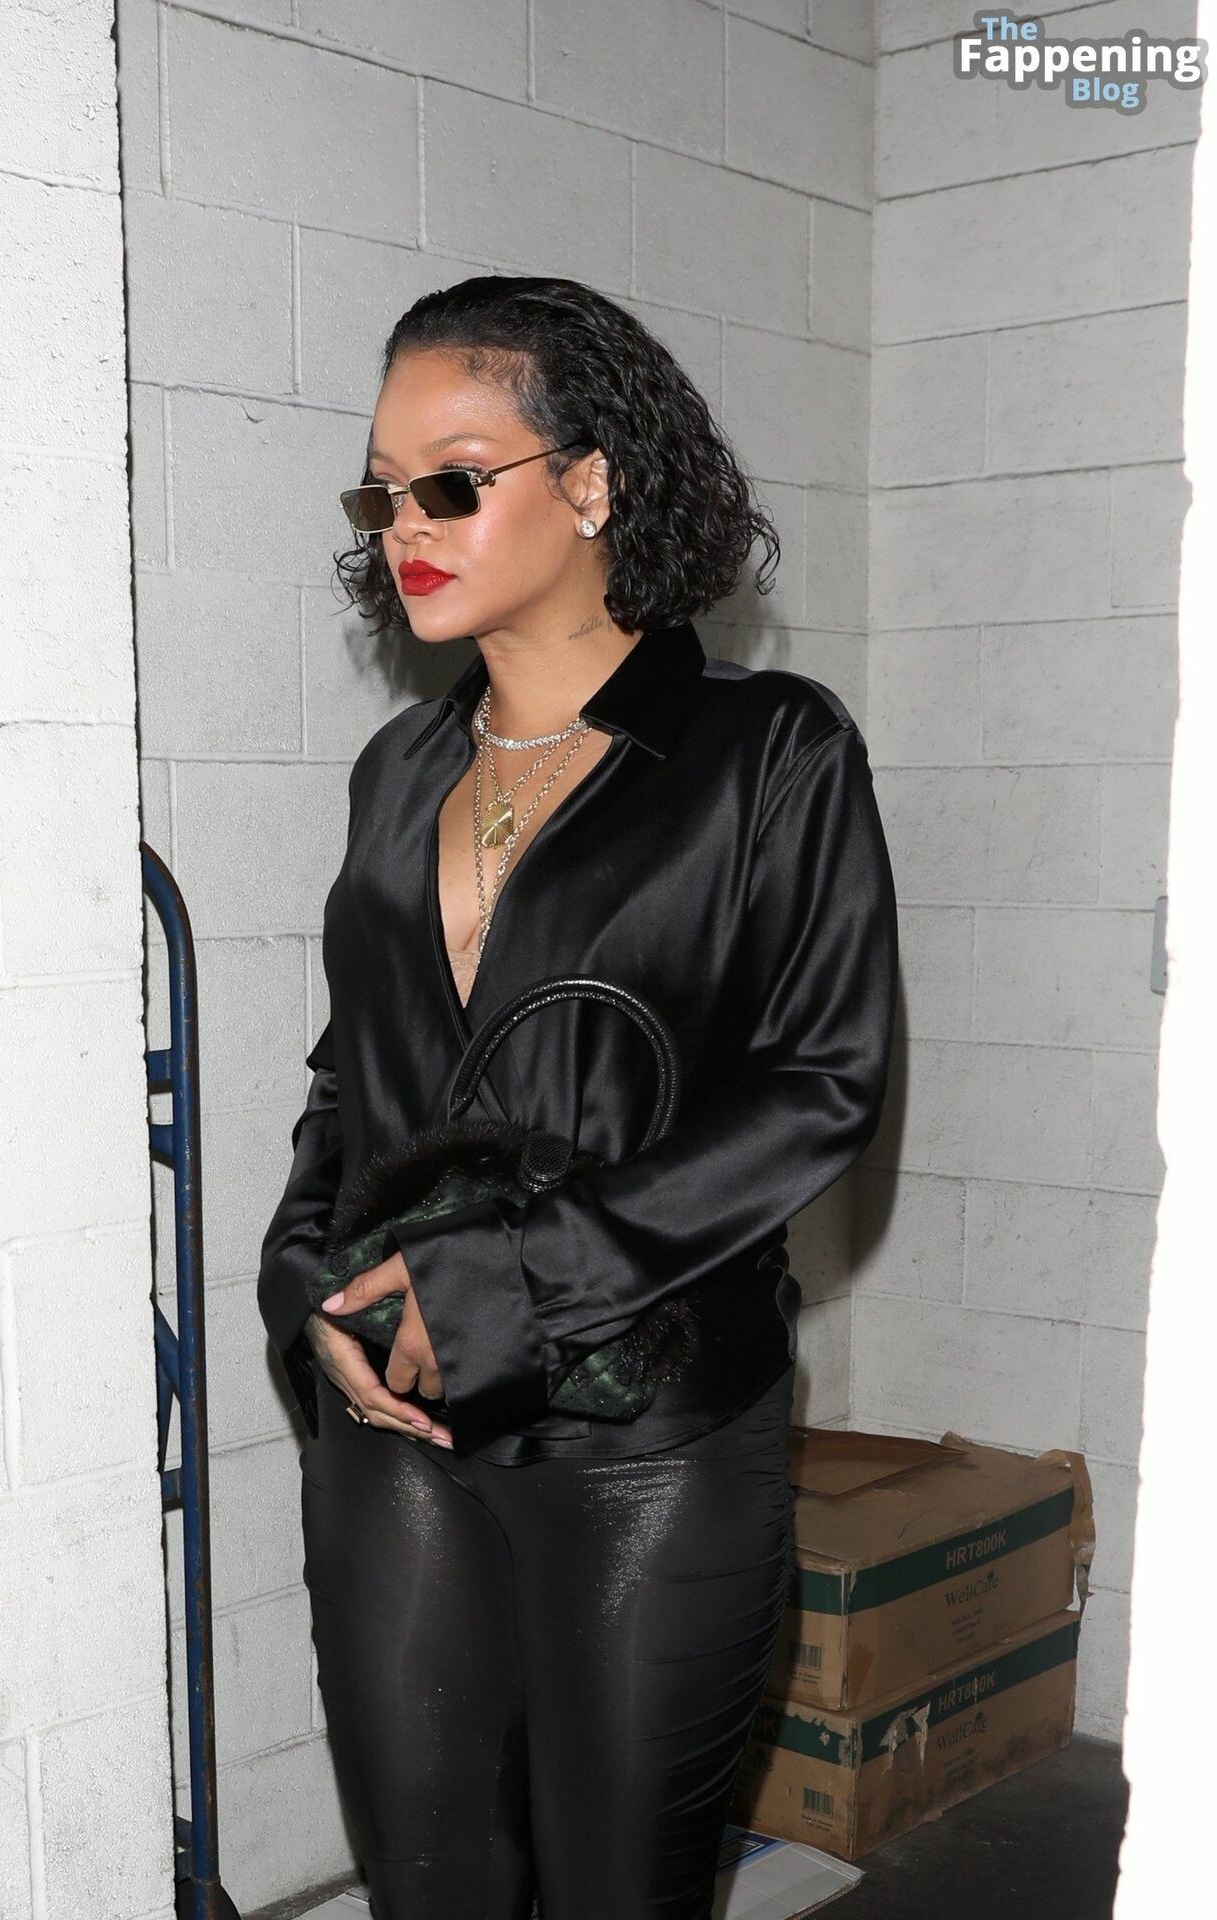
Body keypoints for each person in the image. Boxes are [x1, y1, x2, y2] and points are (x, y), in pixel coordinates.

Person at [257, 274, 898, 1920]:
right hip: (394, 1424)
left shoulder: (770, 753)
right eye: (383, 493)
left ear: (593, 481)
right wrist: (307, 1275)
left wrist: (511, 1280)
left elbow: (821, 1086)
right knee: (429, 1885)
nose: (408, 526)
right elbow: (351, 1077)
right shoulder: (400, 772)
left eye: (454, 481)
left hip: (646, 1434)